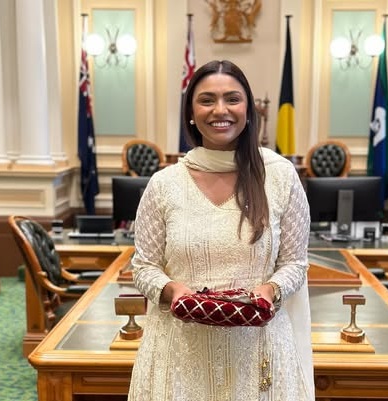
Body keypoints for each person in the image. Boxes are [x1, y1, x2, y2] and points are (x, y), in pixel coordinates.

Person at [128, 59, 314, 401]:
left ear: (248, 109)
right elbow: (143, 267)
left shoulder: (280, 176)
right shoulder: (163, 184)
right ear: (190, 112)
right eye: (207, 100)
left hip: (258, 354)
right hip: (181, 355)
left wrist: (270, 290)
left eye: (232, 98)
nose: (220, 110)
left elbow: (296, 263)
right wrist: (172, 290)